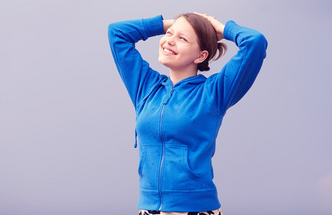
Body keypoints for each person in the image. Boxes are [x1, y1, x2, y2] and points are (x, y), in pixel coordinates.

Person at [108, 12, 267, 215]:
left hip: (196, 209)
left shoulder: (213, 93)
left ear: (201, 56)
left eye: (182, 39)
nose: (169, 41)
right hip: (149, 208)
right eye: (169, 34)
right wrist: (173, 25)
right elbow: (117, 33)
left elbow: (255, 42)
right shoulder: (145, 88)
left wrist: (219, 28)